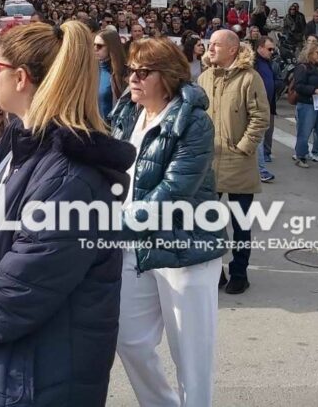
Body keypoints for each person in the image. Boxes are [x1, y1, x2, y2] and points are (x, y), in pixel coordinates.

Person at [0, 21, 136, 406]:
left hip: (33, 378)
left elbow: (18, 290)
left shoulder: (73, 179)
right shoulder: (10, 147)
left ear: (20, 78)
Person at [110, 37, 226, 406]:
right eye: (131, 70)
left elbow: (174, 190)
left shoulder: (194, 121)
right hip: (136, 245)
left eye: (144, 72)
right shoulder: (127, 111)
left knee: (191, 358)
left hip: (185, 248)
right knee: (129, 339)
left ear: (169, 77)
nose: (133, 78)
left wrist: (116, 225)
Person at [198, 30, 270, 294]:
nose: (210, 48)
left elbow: (260, 117)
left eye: (216, 45)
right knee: (208, 222)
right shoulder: (205, 77)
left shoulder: (250, 78)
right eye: (210, 44)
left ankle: (240, 272)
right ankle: (215, 271)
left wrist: (243, 147)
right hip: (209, 162)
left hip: (239, 162)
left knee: (241, 223)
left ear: (232, 49)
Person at [254, 36, 279, 183]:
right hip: (257, 107)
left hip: (267, 105)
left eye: (273, 49)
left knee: (263, 137)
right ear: (260, 48)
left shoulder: (268, 63)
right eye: (269, 49)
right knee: (258, 139)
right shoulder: (254, 63)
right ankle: (261, 170)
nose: (272, 52)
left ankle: (262, 162)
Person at [95, 28, 127, 121]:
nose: (95, 49)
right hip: (91, 125)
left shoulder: (124, 73)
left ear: (111, 47)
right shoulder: (89, 70)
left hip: (110, 126)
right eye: (93, 44)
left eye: (99, 46)